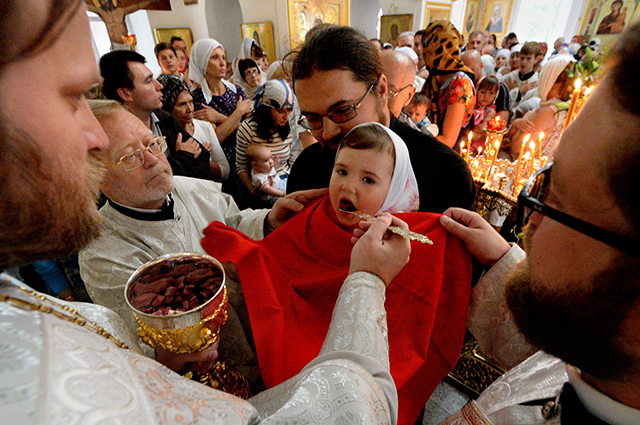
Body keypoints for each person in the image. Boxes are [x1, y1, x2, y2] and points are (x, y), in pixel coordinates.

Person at [0, 1, 415, 422]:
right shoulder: (102, 254)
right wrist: (367, 281)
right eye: (72, 98)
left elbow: (230, 223)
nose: (90, 137)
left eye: (151, 143)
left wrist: (270, 218)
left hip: (257, 336)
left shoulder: (190, 188)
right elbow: (345, 408)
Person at [201, 123, 473, 425]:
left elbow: (408, 329)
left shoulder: (403, 241)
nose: (348, 187)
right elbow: (274, 262)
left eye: (368, 179)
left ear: (395, 186)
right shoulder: (315, 213)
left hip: (361, 369)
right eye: (341, 171)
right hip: (284, 331)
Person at [438, 20, 640, 423]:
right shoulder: (609, 364)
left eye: (556, 203)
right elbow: (559, 355)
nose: (526, 229)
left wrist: (366, 286)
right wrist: (502, 263)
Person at [288, 24, 475, 214]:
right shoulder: (307, 170)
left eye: (343, 110)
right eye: (312, 118)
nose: (328, 133)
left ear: (381, 90)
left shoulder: (445, 172)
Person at [100, 49, 213, 181]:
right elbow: (147, 186)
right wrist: (184, 158)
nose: (159, 86)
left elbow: (203, 161)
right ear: (125, 94)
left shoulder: (165, 119)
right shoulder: (114, 138)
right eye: (148, 81)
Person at [189, 38, 254, 207]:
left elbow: (250, 130)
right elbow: (216, 139)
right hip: (222, 162)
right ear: (203, 62)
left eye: (223, 57)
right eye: (214, 58)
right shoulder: (197, 98)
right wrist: (238, 112)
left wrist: (219, 118)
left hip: (246, 157)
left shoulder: (236, 91)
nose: (222, 63)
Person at [157, 73, 229, 180]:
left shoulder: (204, 126)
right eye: (182, 104)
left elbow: (225, 171)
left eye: (191, 102)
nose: (190, 109)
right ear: (168, 107)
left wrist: (200, 157)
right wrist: (186, 157)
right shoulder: (161, 135)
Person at [236, 79, 294, 204]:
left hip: (286, 178)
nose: (286, 116)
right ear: (267, 109)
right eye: (280, 111)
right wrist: (253, 190)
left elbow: (293, 161)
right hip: (265, 185)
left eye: (289, 110)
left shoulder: (288, 126)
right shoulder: (248, 129)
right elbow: (241, 167)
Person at [421, 21, 476, 149]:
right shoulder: (434, 77)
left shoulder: (460, 83)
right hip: (430, 148)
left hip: (446, 157)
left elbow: (447, 140)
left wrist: (411, 143)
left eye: (426, 47)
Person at [509, 55, 576, 160]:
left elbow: (516, 147)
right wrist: (517, 122)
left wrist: (523, 120)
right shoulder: (561, 107)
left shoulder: (550, 111)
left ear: (548, 80)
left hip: (527, 170)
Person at [503, 41, 541, 111]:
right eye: (522, 58)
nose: (524, 62)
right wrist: (519, 90)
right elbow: (501, 99)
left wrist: (514, 91)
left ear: (536, 59)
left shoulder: (537, 82)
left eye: (528, 58)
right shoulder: (509, 77)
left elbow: (530, 106)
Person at [468, 75, 500, 153]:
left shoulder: (490, 112)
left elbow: (482, 127)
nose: (486, 96)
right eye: (483, 92)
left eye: (491, 93)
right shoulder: (470, 106)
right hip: (467, 134)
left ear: (495, 96)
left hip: (478, 140)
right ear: (476, 91)